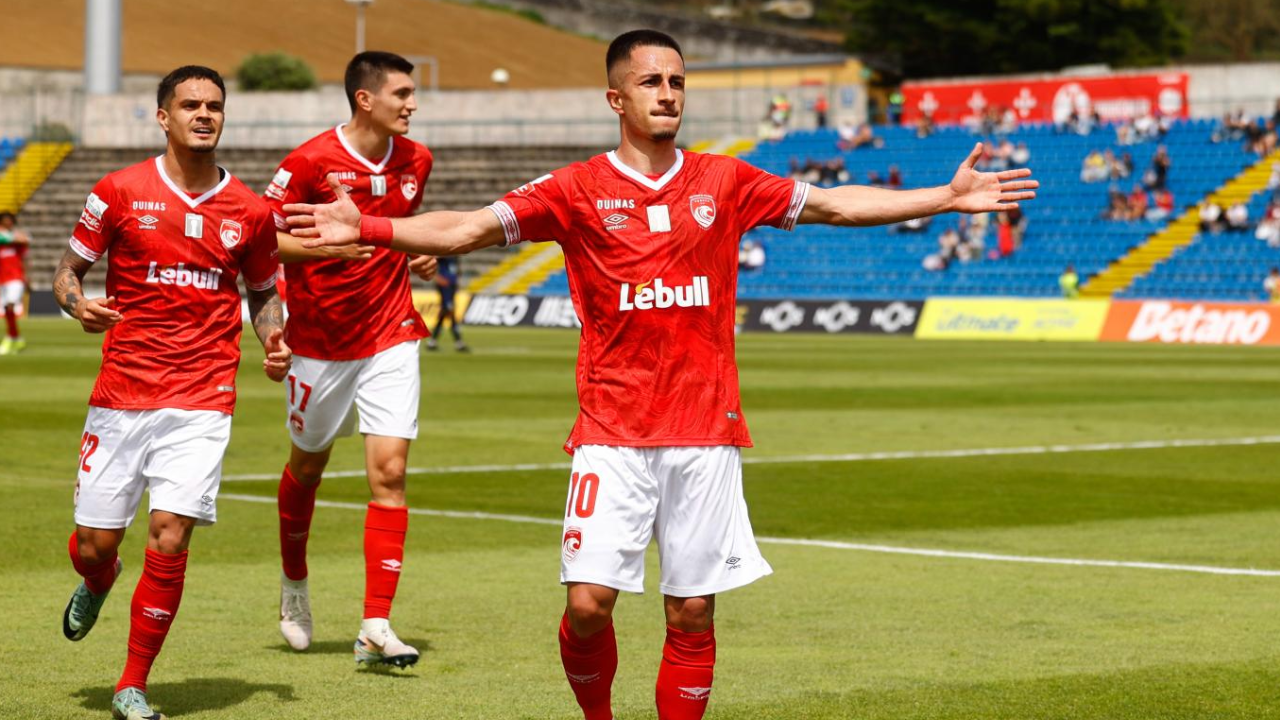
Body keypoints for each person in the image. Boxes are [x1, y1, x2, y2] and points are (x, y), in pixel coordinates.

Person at [284, 29, 1036, 720]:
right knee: (587, 606)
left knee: (692, 614)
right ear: (618, 98)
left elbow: (837, 206)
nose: (668, 93)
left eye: (677, 81)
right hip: (612, 435)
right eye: (651, 81)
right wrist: (372, 228)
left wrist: (944, 198)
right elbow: (468, 229)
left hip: (705, 434)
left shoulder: (725, 180)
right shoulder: (575, 188)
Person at [53, 65, 289, 720]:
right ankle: (97, 580)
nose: (204, 114)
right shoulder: (118, 192)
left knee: (169, 534)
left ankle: (132, 685)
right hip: (122, 392)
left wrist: (273, 339)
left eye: (214, 105)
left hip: (202, 396)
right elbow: (68, 270)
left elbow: (265, 290)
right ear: (164, 116)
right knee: (93, 546)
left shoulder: (250, 210)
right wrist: (78, 305)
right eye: (190, 105)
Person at [260, 51, 437, 667]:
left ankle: (375, 626)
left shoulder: (418, 160)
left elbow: (404, 227)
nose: (413, 103)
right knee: (306, 469)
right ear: (366, 99)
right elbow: (258, 241)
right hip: (319, 343)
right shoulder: (308, 162)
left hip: (392, 333)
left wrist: (418, 254)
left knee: (389, 474)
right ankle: (294, 587)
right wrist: (327, 254)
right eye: (403, 93)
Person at [0, 212, 31, 354]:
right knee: (7, 309)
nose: (8, 223)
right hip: (3, 279)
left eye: (10, 220)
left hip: (16, 278)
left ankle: (9, 338)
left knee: (10, 306)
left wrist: (27, 276)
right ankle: (16, 338)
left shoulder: (18, 240)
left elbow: (25, 246)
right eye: (5, 221)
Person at [427, 255, 468, 351]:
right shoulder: (443, 254)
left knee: (445, 313)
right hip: (444, 285)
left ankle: (432, 342)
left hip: (451, 286)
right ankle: (459, 342)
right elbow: (432, 262)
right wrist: (437, 277)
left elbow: (456, 270)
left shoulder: (455, 256)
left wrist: (456, 281)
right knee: (449, 311)